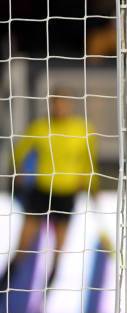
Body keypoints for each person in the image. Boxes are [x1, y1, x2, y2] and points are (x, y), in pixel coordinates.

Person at [1, 88, 97, 292]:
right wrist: (17, 173)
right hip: (41, 191)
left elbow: (89, 163)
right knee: (23, 244)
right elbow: (18, 152)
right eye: (56, 103)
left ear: (70, 104)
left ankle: (46, 297)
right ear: (51, 105)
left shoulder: (83, 129)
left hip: (67, 193)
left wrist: (92, 187)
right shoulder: (40, 128)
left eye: (64, 102)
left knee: (58, 249)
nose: (60, 107)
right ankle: (5, 285)